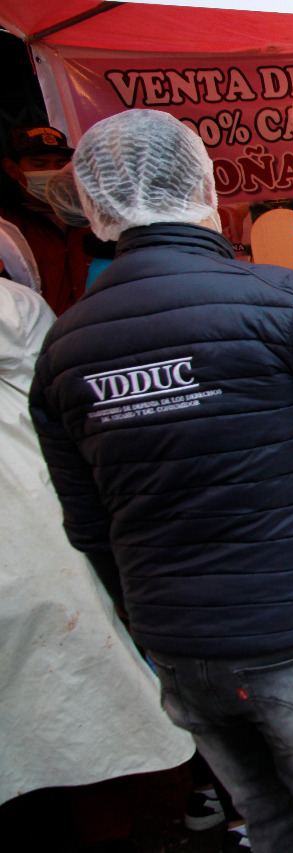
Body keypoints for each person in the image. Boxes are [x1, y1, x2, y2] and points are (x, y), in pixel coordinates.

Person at [29, 109, 293, 853]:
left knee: (268, 818)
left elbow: (87, 520)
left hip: (181, 646)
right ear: (205, 186)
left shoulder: (65, 344)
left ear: (94, 206)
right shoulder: (290, 305)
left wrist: (143, 620)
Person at [0, 223, 195, 817]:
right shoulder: (21, 312)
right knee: (87, 664)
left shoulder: (47, 319)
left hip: (43, 511)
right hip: (34, 512)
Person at [0, 125, 92, 315]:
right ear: (12, 168)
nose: (52, 172)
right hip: (39, 334)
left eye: (60, 164)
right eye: (39, 164)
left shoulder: (92, 213)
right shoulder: (5, 225)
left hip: (95, 328)